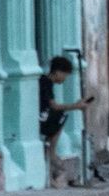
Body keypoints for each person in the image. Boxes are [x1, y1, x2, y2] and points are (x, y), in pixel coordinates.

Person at [38, 56, 92, 187]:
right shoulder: (45, 82)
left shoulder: (47, 82)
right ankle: (51, 152)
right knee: (60, 115)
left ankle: (51, 150)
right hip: (41, 118)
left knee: (60, 115)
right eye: (65, 75)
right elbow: (54, 106)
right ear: (58, 72)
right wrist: (75, 106)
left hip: (43, 116)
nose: (65, 79)